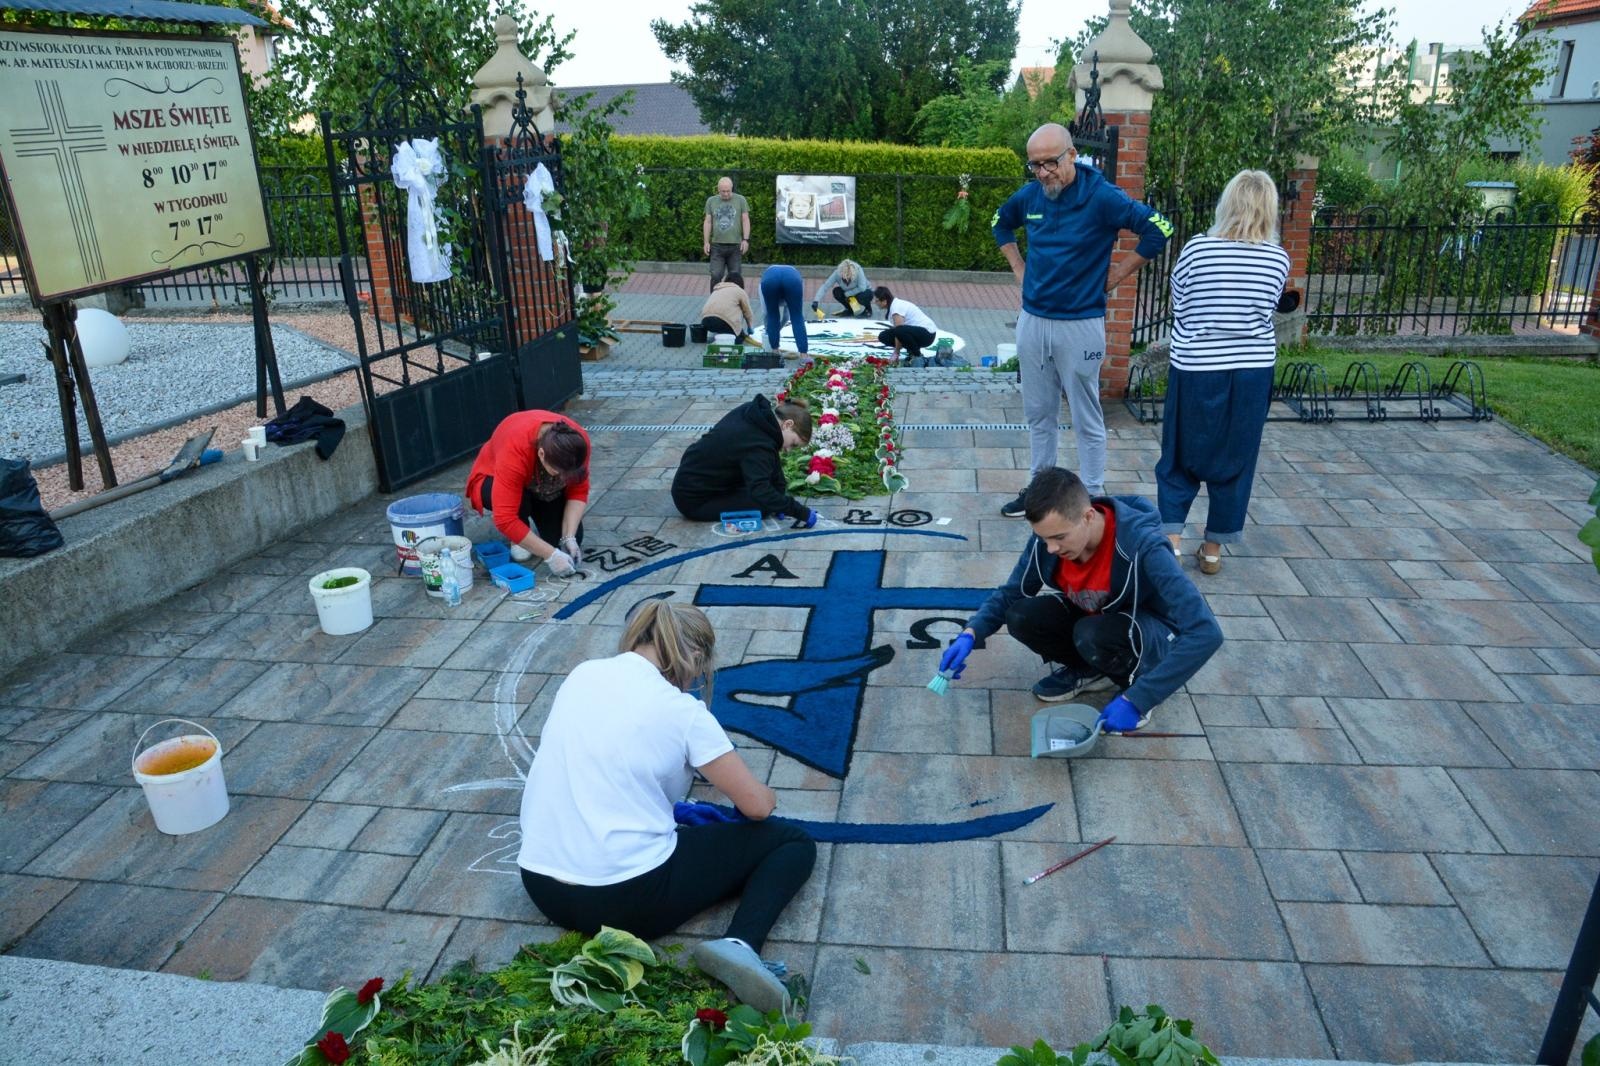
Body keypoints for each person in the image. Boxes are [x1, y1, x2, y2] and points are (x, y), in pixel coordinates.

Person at [518, 600, 815, 1013]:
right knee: (792, 841)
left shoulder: (583, 674)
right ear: (695, 654)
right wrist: (766, 797)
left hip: (540, 884)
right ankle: (741, 944)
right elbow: (756, 808)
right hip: (624, 900)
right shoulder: (683, 712)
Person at [937, 467, 1222, 730]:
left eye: (1059, 537)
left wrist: (1139, 700)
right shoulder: (1049, 537)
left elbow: (1206, 631)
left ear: (1088, 516)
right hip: (1098, 621)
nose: (1050, 548)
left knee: (1092, 633)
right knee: (1021, 615)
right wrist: (972, 633)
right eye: (1044, 538)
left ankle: (1134, 683)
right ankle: (1090, 669)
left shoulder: (1144, 545)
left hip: (1148, 632)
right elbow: (1012, 592)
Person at [992, 122, 1173, 517]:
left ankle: (1090, 498)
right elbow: (999, 222)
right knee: (1039, 413)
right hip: (1034, 320)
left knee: (1085, 413)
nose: (1043, 173)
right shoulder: (1031, 196)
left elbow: (1159, 229)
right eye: (1035, 165)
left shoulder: (1103, 197)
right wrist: (1018, 266)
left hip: (1080, 324)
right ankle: (1039, 492)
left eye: (1050, 163)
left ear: (1072, 154)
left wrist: (1117, 274)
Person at [1155, 170, 1291, 576]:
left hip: (1197, 366)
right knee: (1237, 457)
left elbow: (1179, 302)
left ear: (1228, 202)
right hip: (1252, 370)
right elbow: (1268, 311)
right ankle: (1212, 550)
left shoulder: (1198, 250)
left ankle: (1171, 544)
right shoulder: (1277, 258)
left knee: (1180, 456)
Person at [465, 411, 589, 576]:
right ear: (542, 454)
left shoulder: (578, 443)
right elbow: (505, 519)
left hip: (544, 487)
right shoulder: (515, 449)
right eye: (559, 473)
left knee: (561, 542)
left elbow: (578, 491)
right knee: (505, 499)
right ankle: (519, 533)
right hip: (499, 477)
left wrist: (569, 537)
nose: (563, 478)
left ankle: (535, 522)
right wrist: (550, 555)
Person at [672, 394, 820, 528]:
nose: (788, 450)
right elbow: (762, 490)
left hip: (691, 481)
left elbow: (772, 465)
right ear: (787, 424)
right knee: (763, 504)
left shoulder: (755, 415)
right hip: (694, 501)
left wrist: (781, 500)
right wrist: (801, 512)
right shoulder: (759, 445)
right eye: (793, 444)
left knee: (767, 498)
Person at [870, 285, 939, 366]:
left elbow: (899, 332)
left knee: (899, 331)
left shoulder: (896, 309)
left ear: (884, 301)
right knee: (884, 336)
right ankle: (912, 350)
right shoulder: (894, 305)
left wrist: (896, 353)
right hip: (919, 332)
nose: (875, 302)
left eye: (877, 300)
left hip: (927, 334)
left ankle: (917, 355)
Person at [704, 177, 750, 291]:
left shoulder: (740, 200)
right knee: (715, 276)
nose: (726, 194)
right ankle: (714, 303)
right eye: (723, 191)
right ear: (718, 190)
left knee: (735, 277)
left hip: (735, 246)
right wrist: (706, 242)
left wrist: (745, 239)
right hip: (717, 246)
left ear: (732, 188)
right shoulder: (711, 201)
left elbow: (745, 220)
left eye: (728, 191)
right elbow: (708, 221)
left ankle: (737, 303)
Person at [759, 264, 808, 356]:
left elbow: (766, 313)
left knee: (772, 315)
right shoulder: (795, 276)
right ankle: (804, 354)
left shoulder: (763, 283)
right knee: (797, 317)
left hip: (770, 280)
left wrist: (769, 331)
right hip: (793, 280)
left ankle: (775, 351)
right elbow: (788, 317)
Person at [700, 275, 756, 345]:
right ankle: (719, 343)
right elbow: (747, 312)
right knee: (739, 338)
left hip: (705, 321)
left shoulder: (718, 288)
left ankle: (718, 336)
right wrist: (750, 326)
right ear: (741, 283)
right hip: (723, 322)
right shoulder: (740, 291)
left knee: (721, 326)